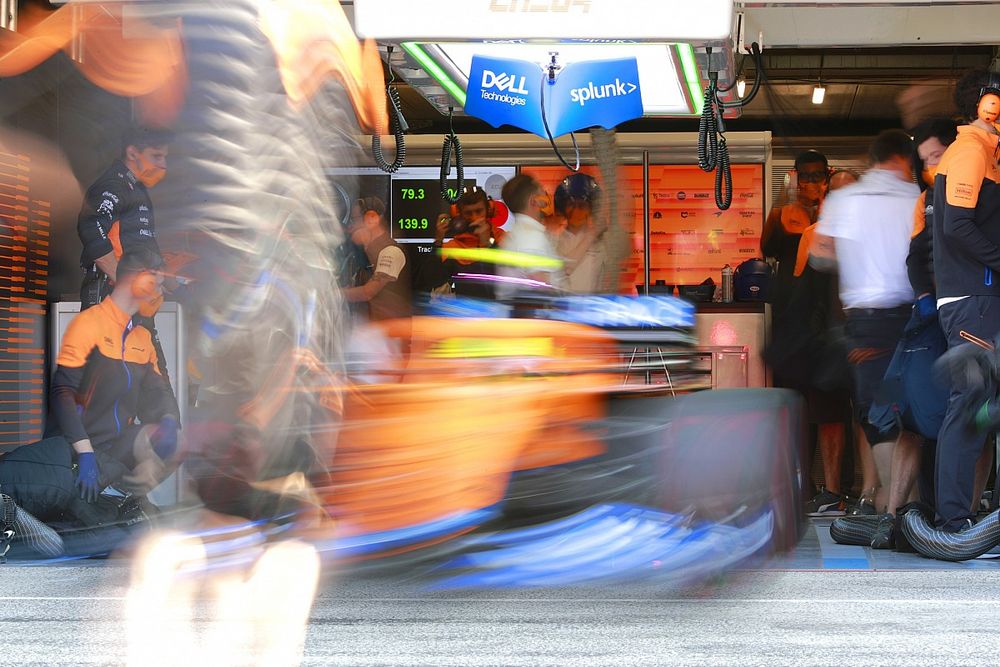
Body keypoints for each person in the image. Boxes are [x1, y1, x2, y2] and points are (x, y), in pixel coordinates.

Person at [812, 129, 923, 527]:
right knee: (916, 413)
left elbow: (819, 254)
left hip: (867, 322)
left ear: (874, 159)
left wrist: (856, 257)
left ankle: (894, 511)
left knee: (880, 415)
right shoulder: (916, 196)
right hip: (916, 317)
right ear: (903, 159)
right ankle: (909, 511)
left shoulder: (845, 199)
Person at [761, 151, 855, 517]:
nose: (812, 183)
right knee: (796, 410)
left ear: (828, 176)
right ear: (795, 176)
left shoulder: (837, 213)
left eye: (818, 176)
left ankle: (837, 488)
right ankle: (804, 487)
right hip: (794, 321)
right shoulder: (784, 213)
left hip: (828, 320)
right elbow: (767, 247)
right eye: (806, 176)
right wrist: (788, 198)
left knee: (831, 408)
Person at [50, 249, 181, 502]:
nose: (160, 293)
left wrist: (168, 421)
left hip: (116, 446)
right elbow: (62, 392)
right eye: (158, 284)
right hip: (78, 449)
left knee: (176, 438)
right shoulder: (89, 324)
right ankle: (103, 499)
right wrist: (85, 452)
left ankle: (121, 499)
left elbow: (159, 392)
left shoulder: (142, 337)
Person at [929, 70, 1000, 532]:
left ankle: (960, 515)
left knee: (980, 403)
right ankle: (953, 519)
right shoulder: (971, 150)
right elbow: (956, 225)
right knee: (971, 402)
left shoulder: (985, 151)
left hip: (978, 294)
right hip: (973, 297)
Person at [76, 126, 178, 413]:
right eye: (156, 156)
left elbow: (141, 247)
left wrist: (170, 281)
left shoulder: (136, 189)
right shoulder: (114, 185)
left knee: (152, 391)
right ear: (133, 153)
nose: (163, 164)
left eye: (165, 157)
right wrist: (123, 285)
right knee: (108, 396)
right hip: (111, 304)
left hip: (136, 308)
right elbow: (91, 227)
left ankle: (160, 433)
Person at [343, 196, 412, 321]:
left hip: (391, 330)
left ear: (372, 219)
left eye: (355, 220)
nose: (350, 227)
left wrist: (335, 294)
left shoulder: (391, 251)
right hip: (375, 329)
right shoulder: (366, 255)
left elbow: (368, 292)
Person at [497, 174, 565, 295]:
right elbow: (542, 287)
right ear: (533, 201)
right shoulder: (532, 237)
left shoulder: (516, 234)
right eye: (542, 192)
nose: (546, 195)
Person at [549, 173, 607, 294]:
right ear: (564, 208)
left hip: (592, 304)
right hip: (563, 304)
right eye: (571, 204)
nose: (576, 210)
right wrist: (591, 236)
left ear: (591, 209)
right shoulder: (553, 240)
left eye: (582, 205)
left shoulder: (601, 244)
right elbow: (563, 270)